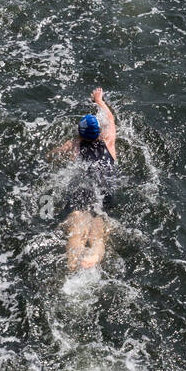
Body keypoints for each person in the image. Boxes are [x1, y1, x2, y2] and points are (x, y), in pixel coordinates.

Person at [47, 89, 119, 272]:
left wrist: (50, 155)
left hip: (83, 188)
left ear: (80, 133)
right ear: (99, 133)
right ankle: (94, 254)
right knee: (98, 231)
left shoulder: (74, 145)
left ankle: (73, 266)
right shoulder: (108, 142)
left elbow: (50, 156)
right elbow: (110, 120)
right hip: (105, 189)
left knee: (77, 227)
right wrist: (99, 101)